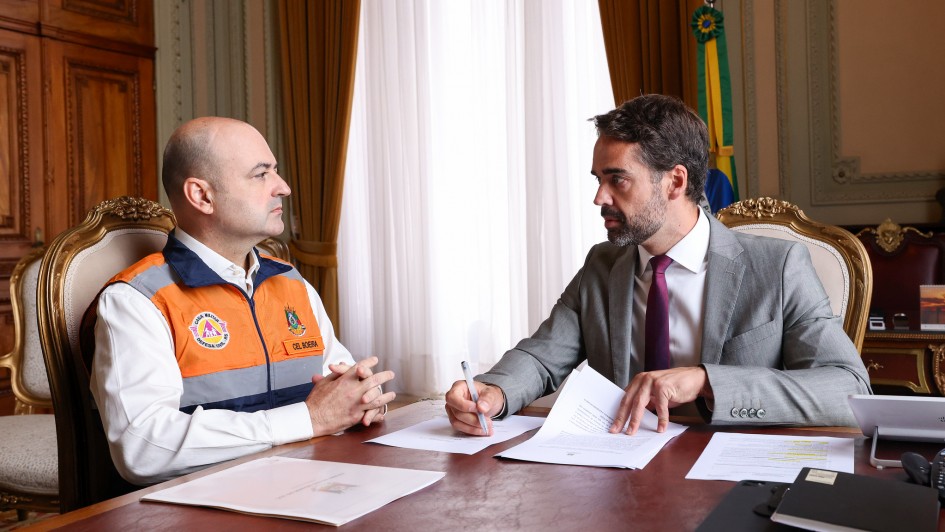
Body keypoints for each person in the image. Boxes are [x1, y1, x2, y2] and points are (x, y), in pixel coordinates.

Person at [445, 94, 871, 436]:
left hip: (732, 478)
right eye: (598, 180)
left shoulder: (777, 267)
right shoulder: (602, 264)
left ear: (675, 181)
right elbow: (542, 358)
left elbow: (848, 389)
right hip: (620, 473)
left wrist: (707, 380)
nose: (600, 198)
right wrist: (493, 393)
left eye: (618, 179)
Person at [87, 117, 395, 485]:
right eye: (261, 174)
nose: (283, 187)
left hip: (312, 483)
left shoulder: (290, 282)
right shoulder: (135, 300)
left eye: (275, 171)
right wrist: (307, 419)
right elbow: (143, 448)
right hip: (202, 507)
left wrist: (364, 399)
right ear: (202, 196)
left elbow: (341, 387)